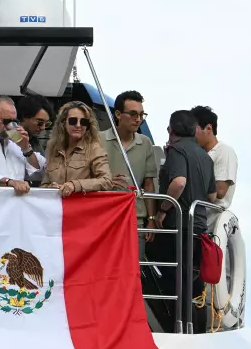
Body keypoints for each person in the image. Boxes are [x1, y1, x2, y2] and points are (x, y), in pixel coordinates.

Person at [150, 110, 217, 333]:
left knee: (160, 266)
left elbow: (178, 182)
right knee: (192, 282)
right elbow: (212, 197)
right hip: (199, 228)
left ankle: (172, 324)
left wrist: (162, 209)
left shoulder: (177, 151)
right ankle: (194, 328)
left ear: (171, 129)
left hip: (178, 226)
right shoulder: (205, 157)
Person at [102, 90, 159, 243]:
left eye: (141, 115)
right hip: (103, 214)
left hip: (136, 217)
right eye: (133, 114)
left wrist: (151, 218)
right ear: (118, 114)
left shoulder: (145, 142)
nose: (138, 119)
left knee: (135, 265)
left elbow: (149, 184)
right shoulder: (98, 139)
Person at [0, 96, 46, 194]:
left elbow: (40, 173)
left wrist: (27, 149)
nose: (10, 126)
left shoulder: (15, 140)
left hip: (17, 203)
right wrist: (9, 182)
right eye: (6, 121)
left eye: (14, 121)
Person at [40, 101, 114, 195]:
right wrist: (50, 188)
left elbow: (106, 181)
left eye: (83, 122)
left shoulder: (94, 149)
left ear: (88, 126)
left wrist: (75, 185)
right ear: (63, 123)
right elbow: (44, 184)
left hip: (82, 207)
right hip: (58, 207)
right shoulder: (53, 149)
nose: (78, 125)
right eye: (73, 121)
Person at [191, 105, 238, 229]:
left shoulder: (223, 151)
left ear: (208, 128)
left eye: (193, 130)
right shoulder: (197, 153)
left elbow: (220, 191)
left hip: (210, 222)